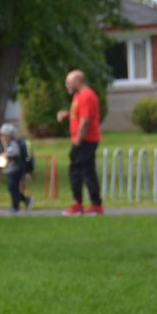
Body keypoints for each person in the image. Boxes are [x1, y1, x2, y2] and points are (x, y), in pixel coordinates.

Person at [56, 69, 103, 216]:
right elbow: (78, 115)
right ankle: (94, 204)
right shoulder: (78, 96)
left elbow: (85, 120)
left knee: (77, 171)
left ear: (78, 81)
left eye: (69, 82)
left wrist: (78, 140)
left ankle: (79, 204)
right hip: (84, 140)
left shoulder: (86, 96)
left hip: (85, 140)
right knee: (87, 170)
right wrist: (67, 114)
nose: (67, 85)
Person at [0, 123, 32, 213]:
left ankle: (15, 207)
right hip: (12, 169)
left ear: (8, 135)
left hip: (16, 169)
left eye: (3, 135)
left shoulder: (12, 143)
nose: (1, 137)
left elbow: (15, 153)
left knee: (12, 187)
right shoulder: (7, 144)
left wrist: (5, 155)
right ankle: (25, 200)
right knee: (12, 188)